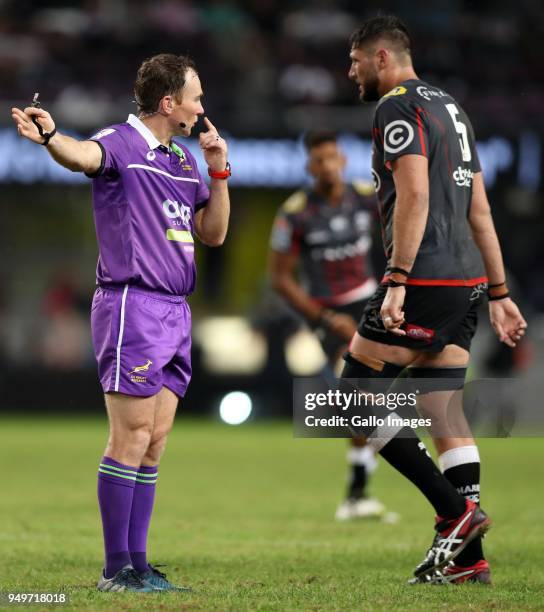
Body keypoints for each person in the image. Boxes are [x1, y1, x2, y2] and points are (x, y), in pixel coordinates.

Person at [11, 53, 230, 593]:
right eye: (196, 97)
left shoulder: (182, 160)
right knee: (129, 436)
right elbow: (81, 156)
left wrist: (219, 170)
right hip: (133, 302)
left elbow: (214, 233)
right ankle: (117, 569)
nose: (202, 107)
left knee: (154, 441)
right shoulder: (120, 143)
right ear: (168, 102)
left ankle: (138, 563)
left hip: (177, 310)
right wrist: (50, 137)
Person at [345, 15, 527, 583]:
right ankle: (468, 564)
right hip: (467, 281)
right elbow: (480, 210)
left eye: (354, 61)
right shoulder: (453, 110)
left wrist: (398, 277)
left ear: (381, 57)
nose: (349, 72)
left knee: (347, 398)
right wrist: (498, 291)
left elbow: (416, 191)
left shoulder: (395, 105)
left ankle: (456, 515)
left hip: (423, 277)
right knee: (441, 407)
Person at [269, 130, 391, 521]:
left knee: (371, 401)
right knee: (360, 394)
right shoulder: (295, 212)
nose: (328, 166)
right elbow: (280, 279)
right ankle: (357, 493)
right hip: (327, 313)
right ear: (310, 166)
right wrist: (322, 318)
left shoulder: (363, 197)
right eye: (319, 160)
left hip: (370, 303)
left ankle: (358, 493)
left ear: (343, 160)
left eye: (333, 158)